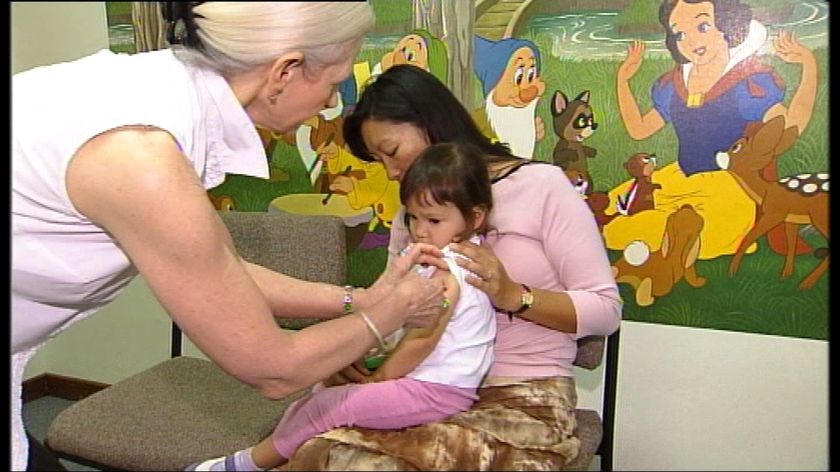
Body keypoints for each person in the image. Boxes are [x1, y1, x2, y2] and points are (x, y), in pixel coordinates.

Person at [11, 4, 450, 471]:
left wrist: (359, 300)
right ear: (287, 70)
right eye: (333, 81)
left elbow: (224, 269)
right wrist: (393, 310)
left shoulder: (168, 100)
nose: (330, 102)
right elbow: (274, 368)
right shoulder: (140, 155)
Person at [279, 64, 622, 470]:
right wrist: (354, 356)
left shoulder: (541, 186)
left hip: (522, 397)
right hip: (424, 388)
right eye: (378, 161)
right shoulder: (415, 217)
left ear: (430, 124)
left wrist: (514, 295)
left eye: (391, 152)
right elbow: (393, 311)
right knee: (315, 450)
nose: (390, 172)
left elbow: (606, 311)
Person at [186, 141, 498, 471]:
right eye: (413, 217)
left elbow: (422, 341)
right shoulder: (453, 255)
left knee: (330, 406)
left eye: (433, 221)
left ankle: (244, 465)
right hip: (432, 382)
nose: (419, 230)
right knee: (321, 393)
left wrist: (378, 381)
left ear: (475, 217)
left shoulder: (447, 274)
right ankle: (274, 454)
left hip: (436, 391)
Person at [608, 0, 818, 260]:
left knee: (712, 234)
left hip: (728, 186)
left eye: (703, 25)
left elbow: (788, 130)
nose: (691, 39)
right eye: (680, 33)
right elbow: (639, 129)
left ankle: (658, 239)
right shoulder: (673, 85)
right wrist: (622, 81)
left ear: (729, 26)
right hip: (680, 176)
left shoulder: (748, 83)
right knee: (614, 206)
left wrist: (809, 66)